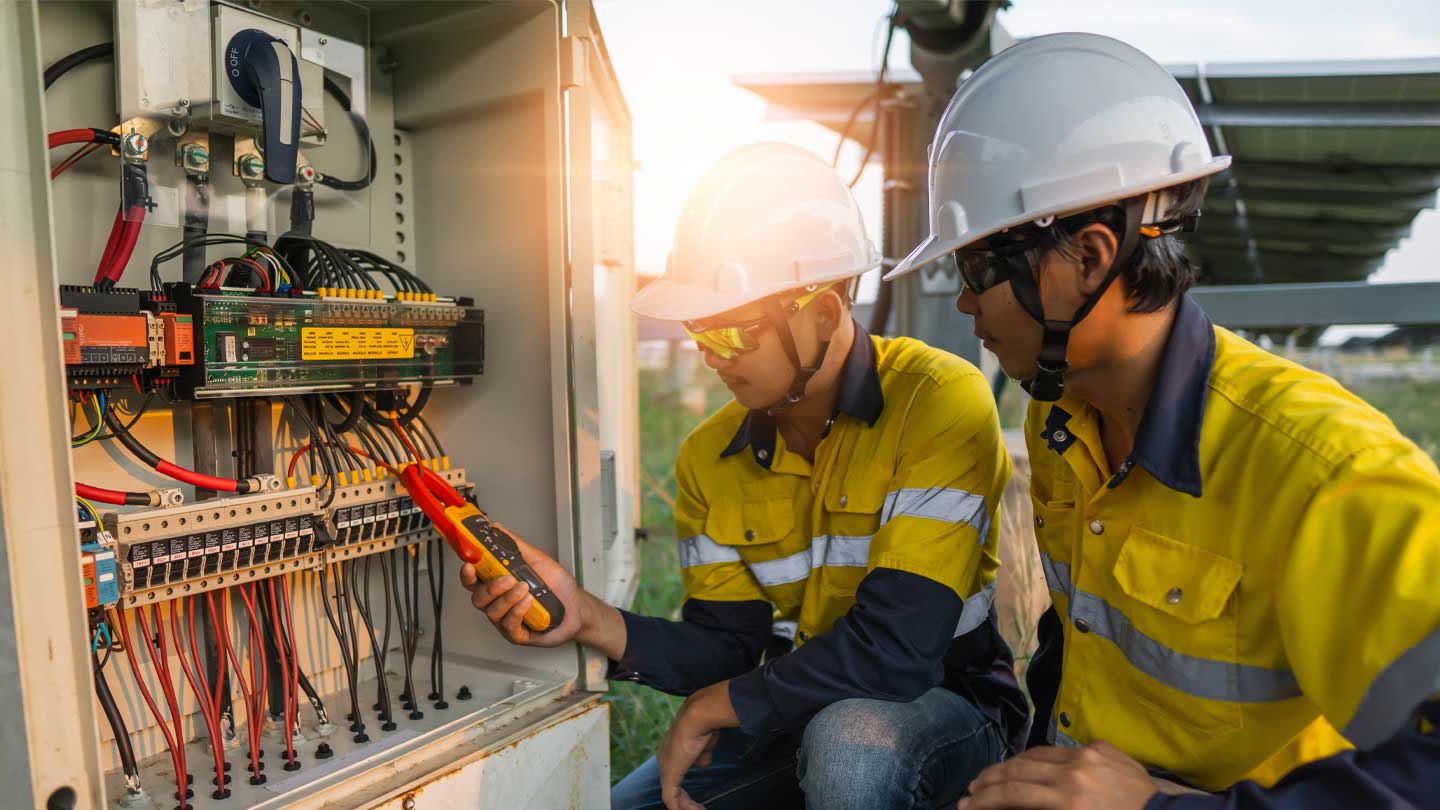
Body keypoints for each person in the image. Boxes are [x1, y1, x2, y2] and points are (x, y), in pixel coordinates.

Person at [883, 32, 1440, 810]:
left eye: (977, 267)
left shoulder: (1323, 471)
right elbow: (1080, 641)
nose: (967, 301)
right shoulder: (1061, 421)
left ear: (1089, 256)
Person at [459, 143, 1028, 810]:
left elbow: (897, 652)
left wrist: (712, 708)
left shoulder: (937, 401)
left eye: (734, 333)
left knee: (851, 748)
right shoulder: (709, 457)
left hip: (941, 706)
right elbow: (727, 650)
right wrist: (587, 616)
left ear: (823, 315)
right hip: (793, 710)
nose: (711, 357)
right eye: (700, 331)